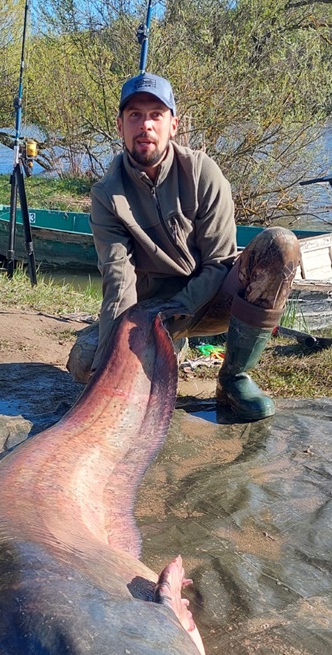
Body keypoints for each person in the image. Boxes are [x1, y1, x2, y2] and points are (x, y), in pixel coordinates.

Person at [66, 71, 299, 421]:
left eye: (155, 115)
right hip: (151, 310)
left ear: (173, 125)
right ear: (120, 126)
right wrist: (109, 363)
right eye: (135, 115)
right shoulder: (105, 196)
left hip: (212, 298)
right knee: (85, 364)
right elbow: (119, 283)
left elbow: (220, 262)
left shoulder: (203, 173)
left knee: (280, 245)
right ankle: (167, 349)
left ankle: (234, 377)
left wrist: (180, 308)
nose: (145, 125)